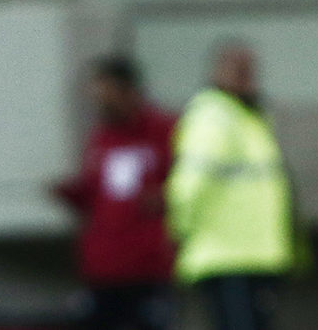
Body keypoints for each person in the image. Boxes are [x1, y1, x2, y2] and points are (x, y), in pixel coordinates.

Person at [166, 41, 298, 330]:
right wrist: (181, 231)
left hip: (257, 253)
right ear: (217, 71)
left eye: (249, 69)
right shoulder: (213, 116)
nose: (246, 77)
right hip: (225, 256)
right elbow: (189, 185)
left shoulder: (250, 116)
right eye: (237, 69)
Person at [54, 56, 177, 330]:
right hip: (104, 268)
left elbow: (187, 183)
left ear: (129, 91)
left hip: (148, 268)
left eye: (107, 97)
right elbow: (95, 195)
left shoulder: (164, 131)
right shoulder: (101, 138)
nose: (102, 106)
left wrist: (165, 196)